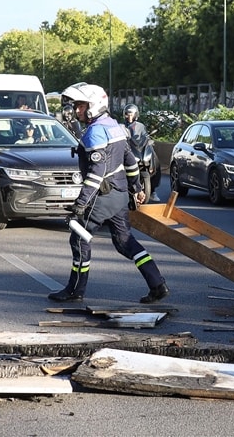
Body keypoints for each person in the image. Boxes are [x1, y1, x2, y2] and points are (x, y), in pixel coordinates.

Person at [49, 83, 169, 304]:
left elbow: (97, 172)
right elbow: (130, 162)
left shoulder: (95, 132)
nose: (76, 111)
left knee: (79, 238)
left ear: (93, 105)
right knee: (124, 242)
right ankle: (157, 283)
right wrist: (137, 189)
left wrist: (81, 204)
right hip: (120, 194)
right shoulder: (115, 126)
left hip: (102, 197)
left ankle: (75, 290)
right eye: (76, 106)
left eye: (81, 106)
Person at [123, 103, 159, 202]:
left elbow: (145, 136)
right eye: (127, 114)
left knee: (156, 162)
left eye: (132, 114)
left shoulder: (141, 126)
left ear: (136, 114)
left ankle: (153, 191)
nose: (130, 116)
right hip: (127, 149)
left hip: (139, 149)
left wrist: (148, 141)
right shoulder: (121, 126)